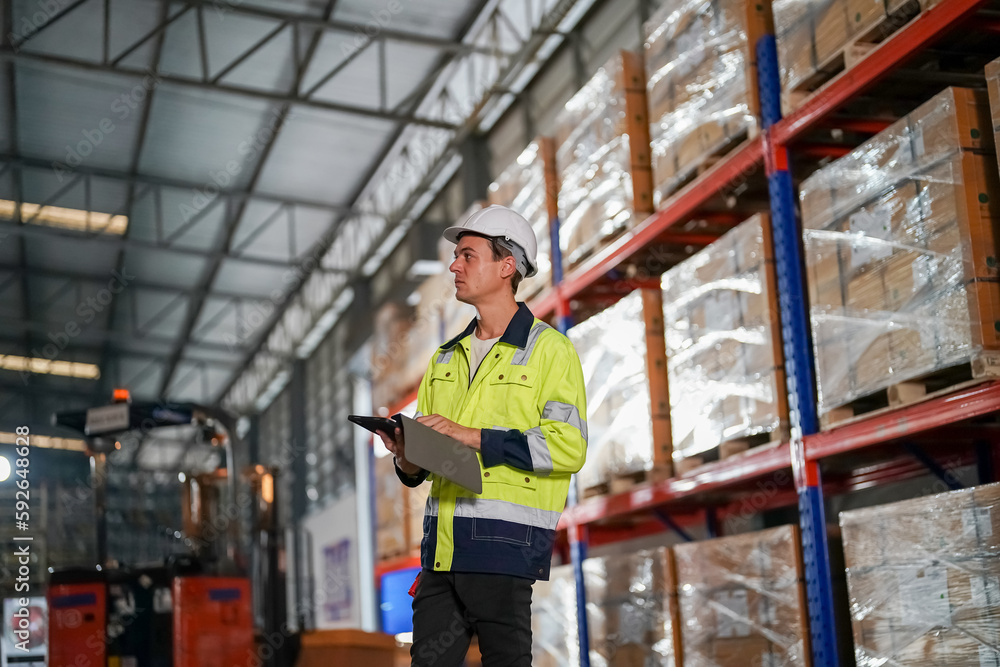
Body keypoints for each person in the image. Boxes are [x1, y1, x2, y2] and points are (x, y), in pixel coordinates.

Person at [377, 204, 588, 667]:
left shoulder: (549, 351)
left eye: (468, 255)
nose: (454, 265)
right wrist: (407, 456)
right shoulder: (445, 360)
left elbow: (566, 446)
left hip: (503, 549)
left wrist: (471, 435)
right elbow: (432, 463)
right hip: (441, 555)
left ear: (506, 265)